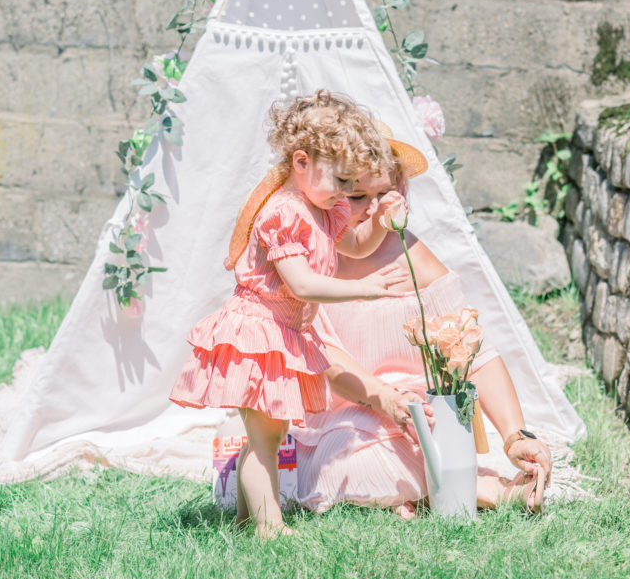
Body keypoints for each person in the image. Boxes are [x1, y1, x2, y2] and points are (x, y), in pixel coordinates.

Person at [168, 90, 408, 538]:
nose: (345, 193)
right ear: (301, 162)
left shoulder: (321, 208)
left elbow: (355, 245)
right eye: (340, 180)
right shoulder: (283, 213)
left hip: (281, 332)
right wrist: (361, 289)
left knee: (270, 436)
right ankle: (268, 527)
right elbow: (300, 283)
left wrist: (377, 222)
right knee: (263, 438)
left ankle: (246, 520)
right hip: (257, 334)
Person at [294, 140, 553, 517]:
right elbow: (321, 354)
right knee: (334, 465)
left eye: (384, 193)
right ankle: (484, 488)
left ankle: (413, 490)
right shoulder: (311, 260)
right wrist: (385, 399)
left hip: (425, 414)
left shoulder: (411, 255)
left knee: (425, 434)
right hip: (351, 411)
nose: (373, 209)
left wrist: (515, 435)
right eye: (355, 196)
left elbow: (470, 351)